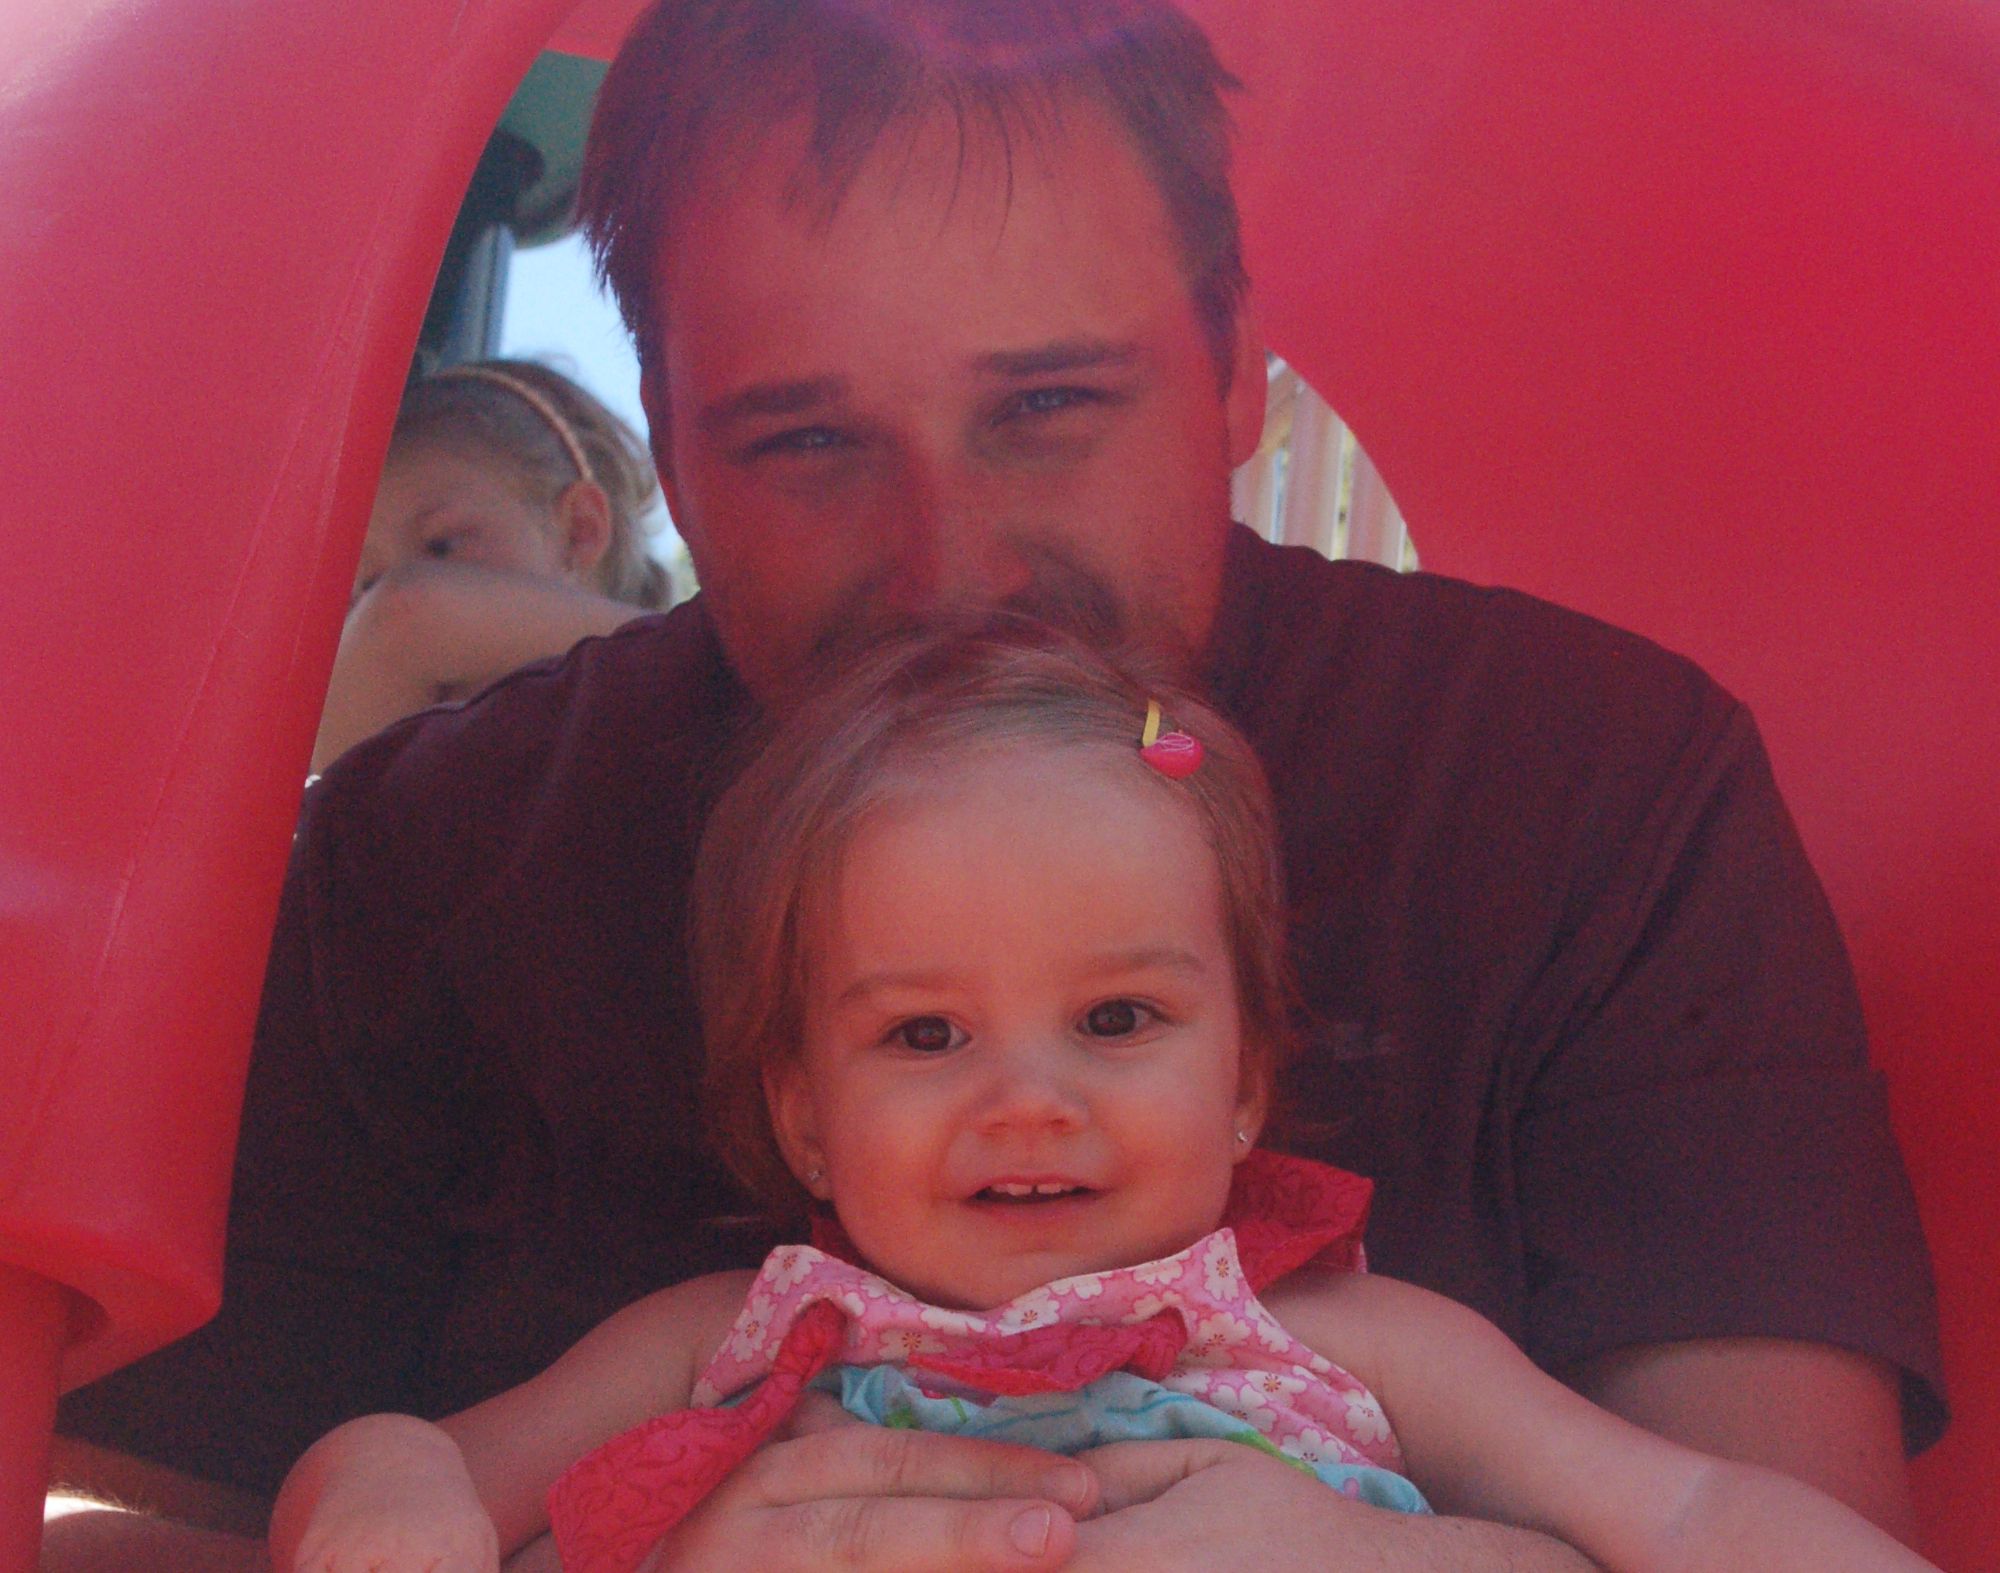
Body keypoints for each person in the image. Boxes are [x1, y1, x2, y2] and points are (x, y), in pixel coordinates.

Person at [49, 1, 1943, 1569]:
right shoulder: (427, 859)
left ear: (1234, 375)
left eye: (1047, 407)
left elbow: (1770, 1516)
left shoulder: (1587, 785)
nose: (949, 567)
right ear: (672, 461)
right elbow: (142, 1525)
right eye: (807, 442)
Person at [266, 624, 1934, 1573]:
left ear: (1246, 1082)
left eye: (1116, 1018)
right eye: (926, 1034)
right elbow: (415, 1464)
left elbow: (1686, 1508)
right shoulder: (740, 1332)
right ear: (803, 1114)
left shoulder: (1353, 1344)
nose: (1027, 1100)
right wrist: (389, 1504)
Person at [311, 359, 672, 775]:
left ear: (579, 530)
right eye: (365, 584)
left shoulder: (674, 707)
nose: (379, 602)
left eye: (442, 546)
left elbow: (406, 615)